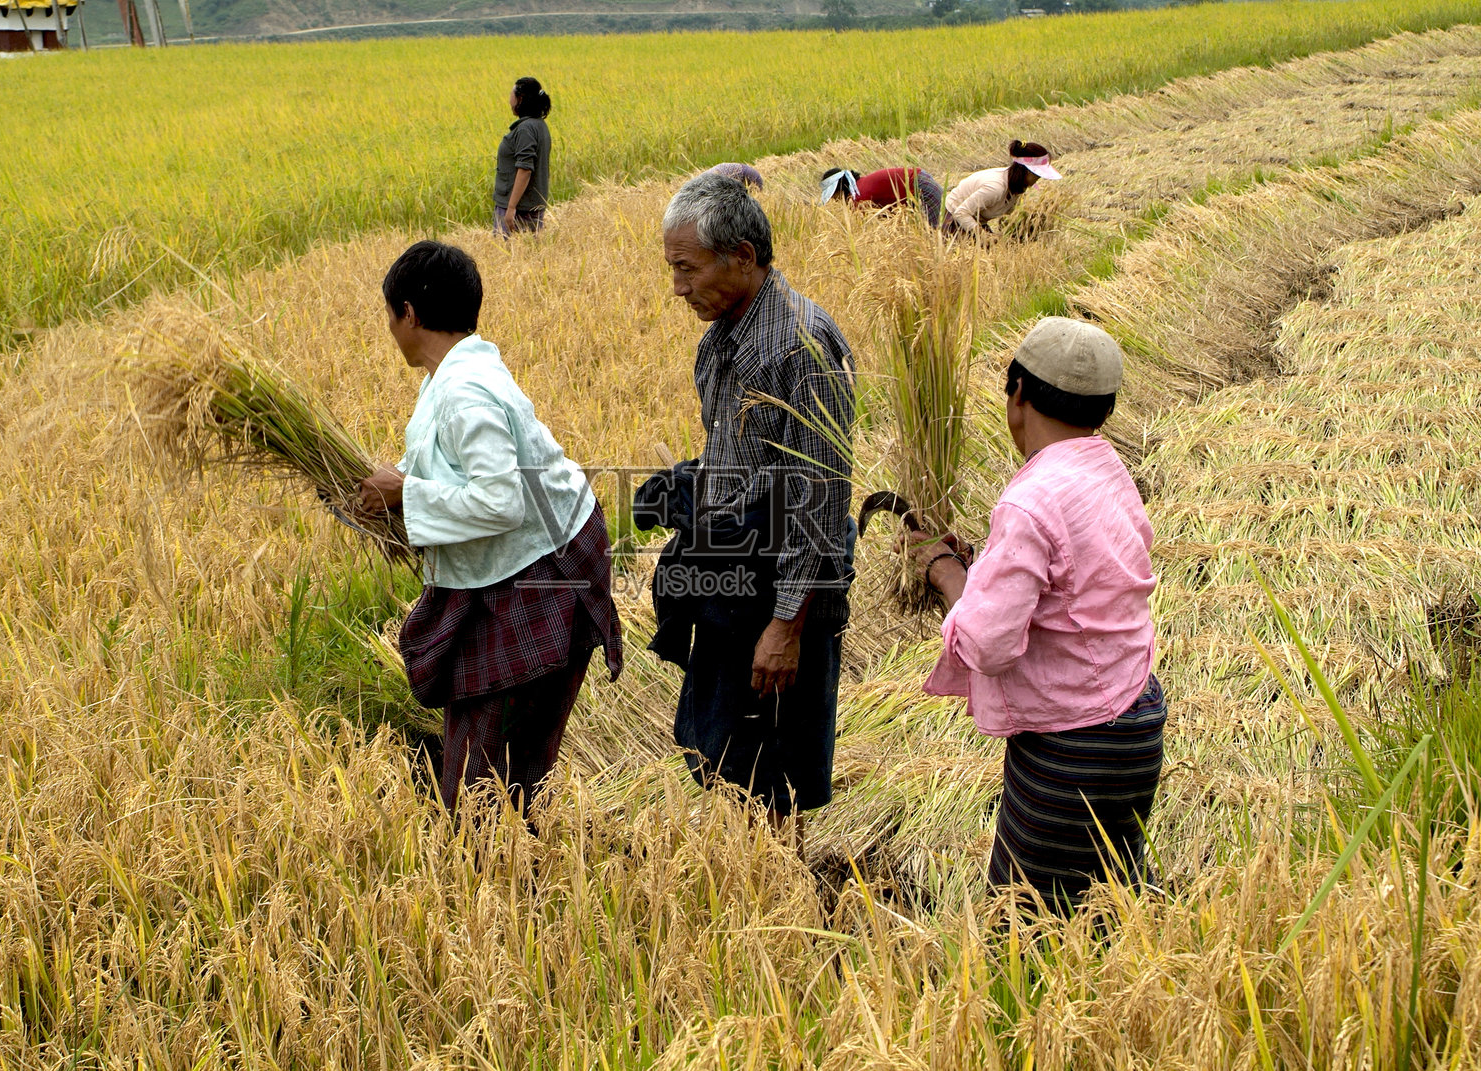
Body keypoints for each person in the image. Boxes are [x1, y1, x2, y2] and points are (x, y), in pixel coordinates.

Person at [906, 317, 1163, 915]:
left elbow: (990, 643)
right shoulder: (1105, 469)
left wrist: (944, 573)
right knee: (1104, 907)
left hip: (1074, 744)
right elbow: (1067, 583)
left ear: (1017, 392)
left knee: (1026, 930)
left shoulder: (1030, 499)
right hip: (1134, 715)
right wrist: (984, 571)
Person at [358, 240, 622, 814]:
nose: (390, 329)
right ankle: (514, 852)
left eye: (389, 315)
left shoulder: (464, 390)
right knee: (501, 755)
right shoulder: (456, 372)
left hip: (543, 570)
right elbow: (459, 462)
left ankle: (500, 866)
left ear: (409, 313)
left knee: (487, 771)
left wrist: (406, 492)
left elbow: (500, 501)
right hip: (533, 561)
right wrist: (401, 478)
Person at [652, 172, 856, 847]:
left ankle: (778, 899)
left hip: (780, 588)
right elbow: (734, 455)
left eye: (688, 267)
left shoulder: (798, 347)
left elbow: (818, 498)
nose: (678, 286)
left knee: (772, 766)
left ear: (741, 255)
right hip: (738, 577)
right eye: (672, 268)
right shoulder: (723, 339)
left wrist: (786, 625)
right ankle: (749, 879)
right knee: (728, 752)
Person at [940, 139, 1062, 235]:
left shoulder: (1016, 186)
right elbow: (961, 213)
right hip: (953, 218)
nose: (1038, 178)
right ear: (1026, 171)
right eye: (1037, 175)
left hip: (976, 220)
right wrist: (983, 236)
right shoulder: (995, 188)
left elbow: (1008, 214)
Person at [494, 76, 553, 237]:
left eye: (511, 95)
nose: (509, 100)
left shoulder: (525, 129)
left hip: (519, 210)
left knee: (508, 257)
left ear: (520, 99)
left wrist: (511, 208)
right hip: (530, 207)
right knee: (528, 257)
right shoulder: (539, 125)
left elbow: (525, 169)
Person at [820, 165, 945, 229]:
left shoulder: (859, 198)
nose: (835, 200)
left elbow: (883, 225)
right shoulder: (862, 185)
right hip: (922, 181)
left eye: (834, 196)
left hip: (921, 187)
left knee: (933, 237)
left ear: (841, 189)